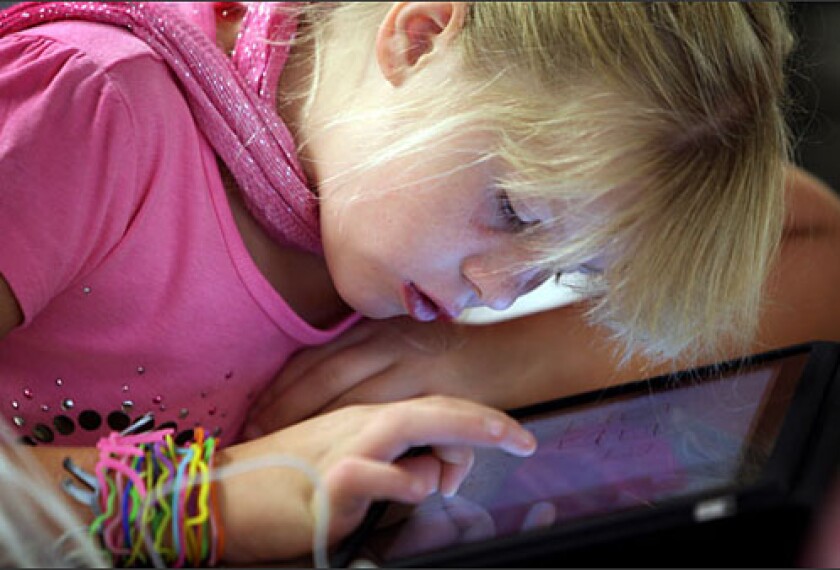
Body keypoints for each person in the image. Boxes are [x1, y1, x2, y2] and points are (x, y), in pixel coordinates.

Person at [0, 0, 830, 565]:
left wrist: (488, 362)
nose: (499, 292)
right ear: (421, 37)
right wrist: (212, 504)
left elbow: (819, 246)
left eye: (566, 268)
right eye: (513, 210)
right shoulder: (91, 106)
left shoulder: (386, 236)